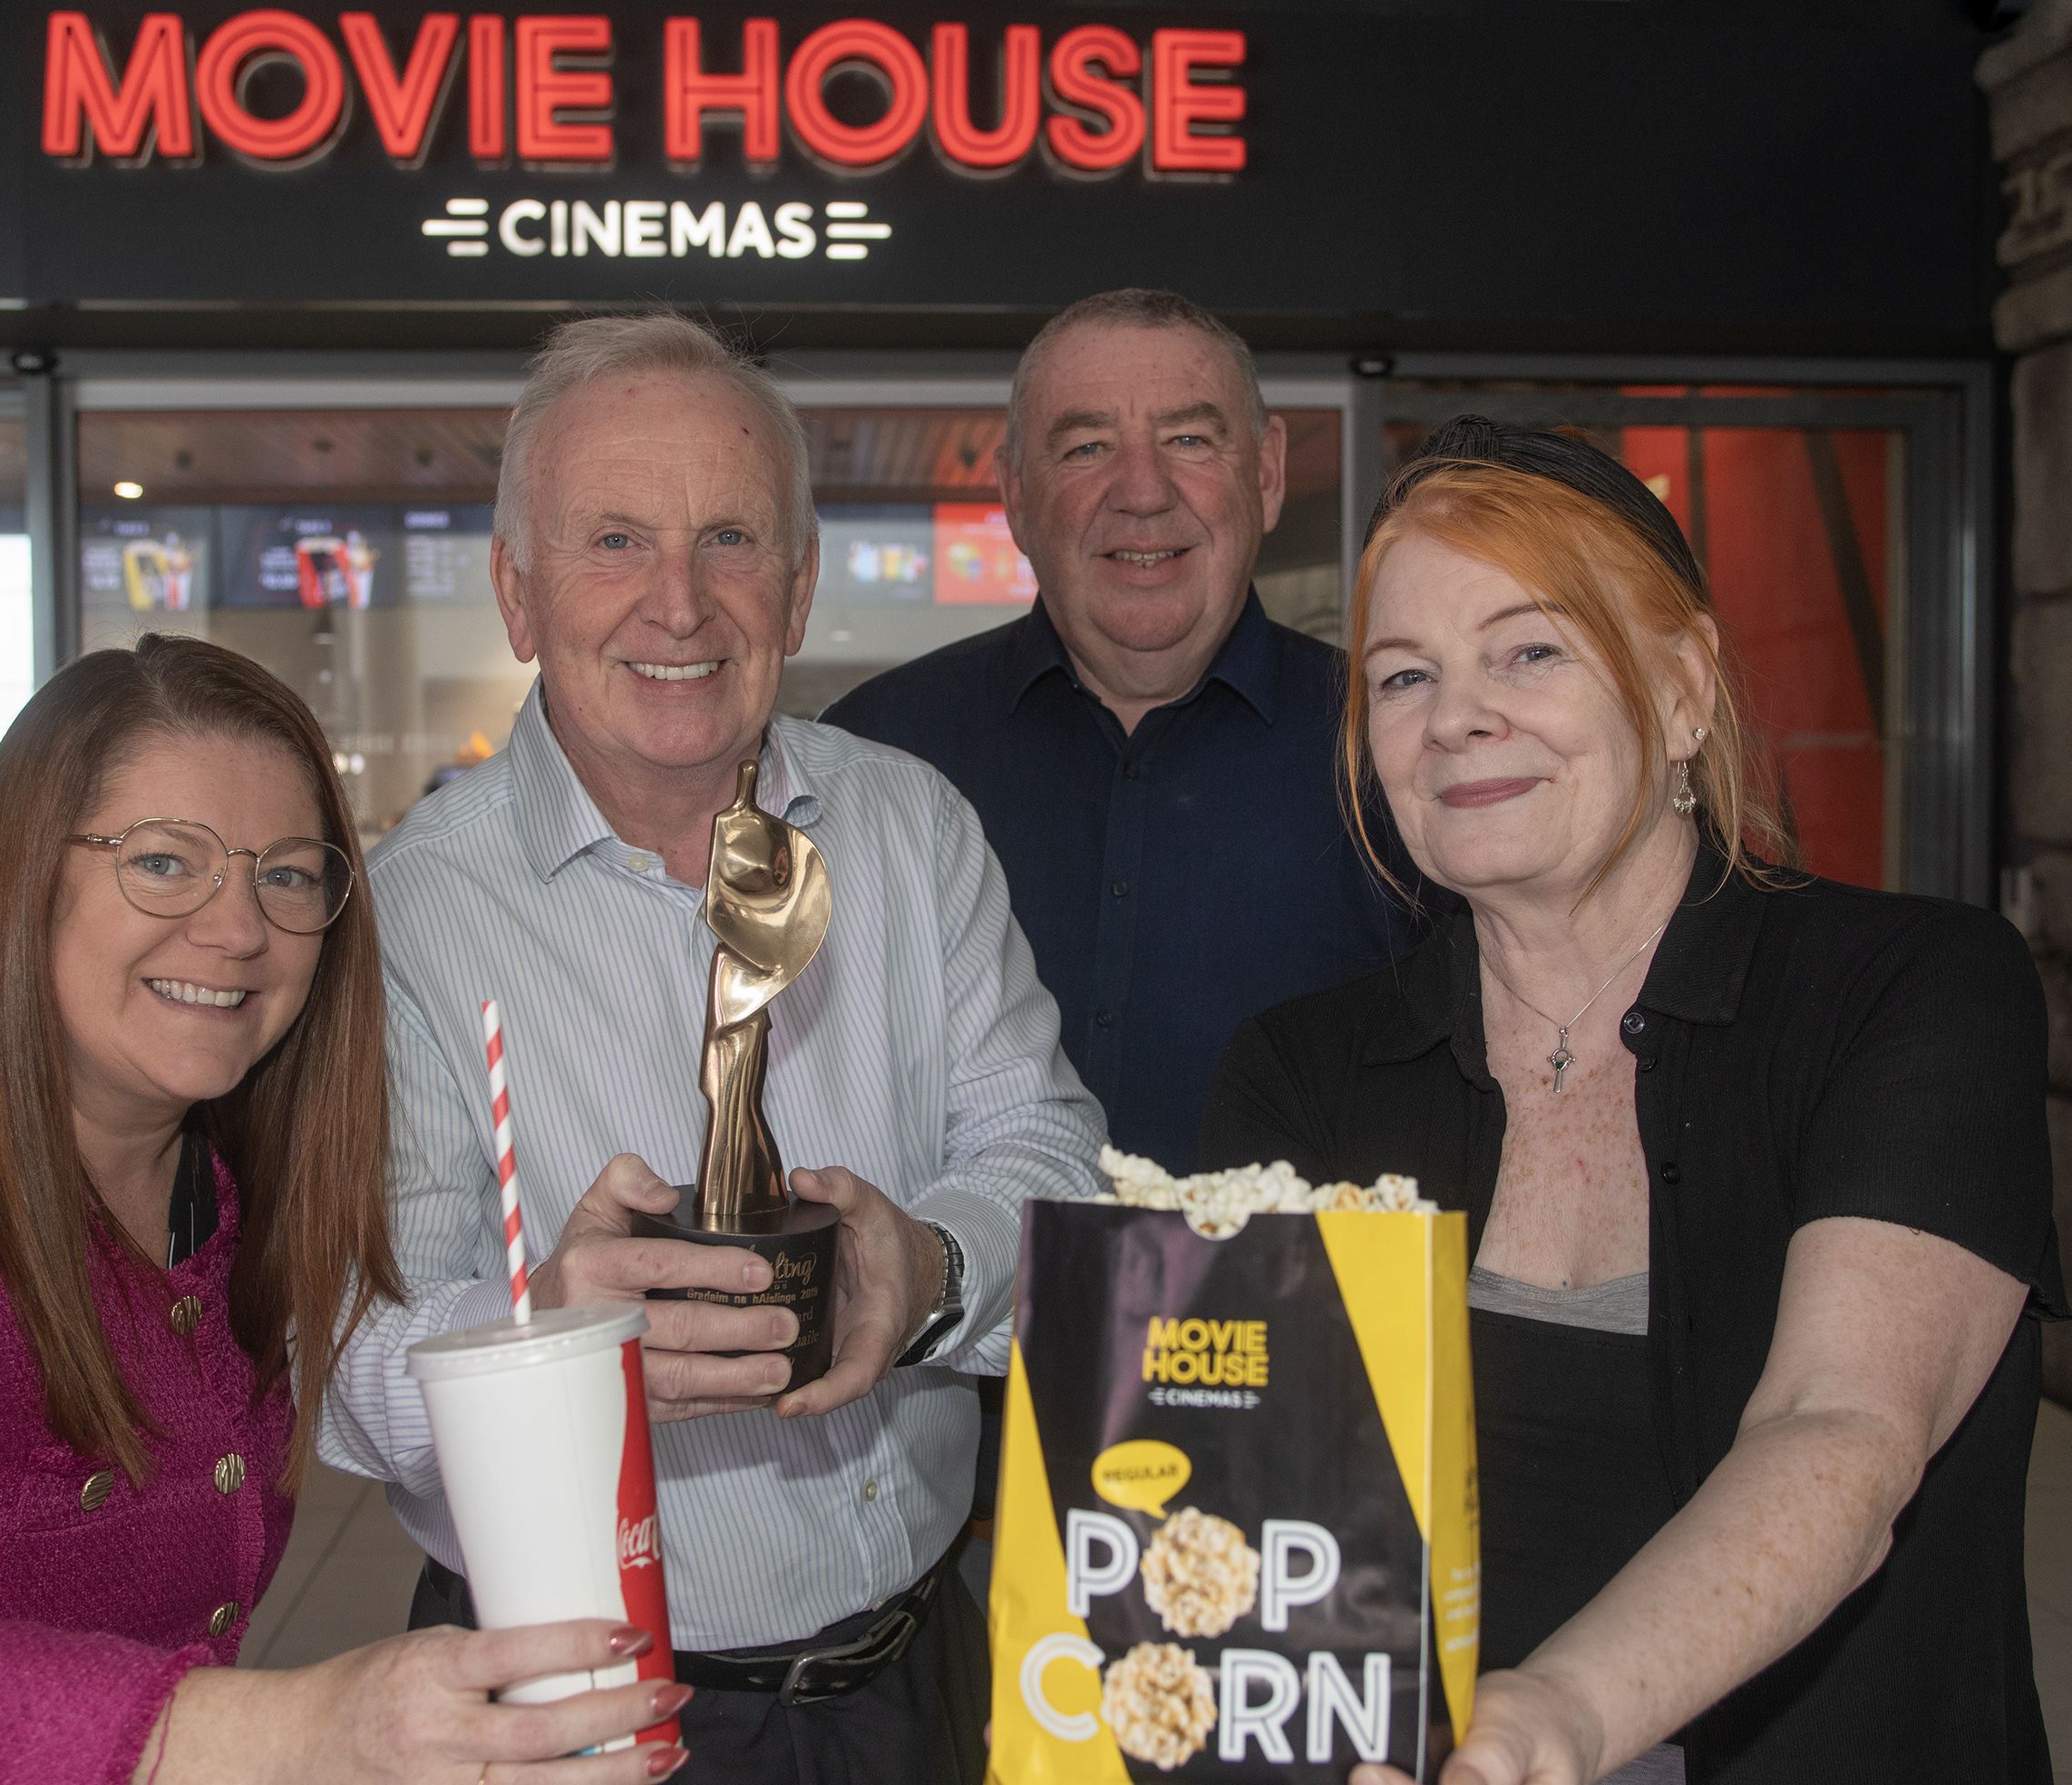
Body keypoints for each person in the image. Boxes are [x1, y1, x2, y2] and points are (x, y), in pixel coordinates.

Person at [0, 635, 688, 1785]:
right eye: (166, 862)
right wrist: (304, 1731)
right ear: (22, 876)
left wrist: (555, 1313)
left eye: (285, 874)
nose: (239, 930)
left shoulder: (226, 1196)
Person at [1200, 419, 2064, 1784]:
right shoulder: (1302, 1073)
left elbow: (1840, 1429)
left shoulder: (1911, 990)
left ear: (1681, 692)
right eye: (1406, 675)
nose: (1459, 715)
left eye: (1529, 650)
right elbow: (1253, 1495)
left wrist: (1557, 1721)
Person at [320, 314, 1105, 1785]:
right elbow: (347, 1360)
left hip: (930, 1668)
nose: (679, 603)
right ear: (516, 591)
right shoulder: (409, 916)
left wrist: (925, 1274)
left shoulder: (912, 826)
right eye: (614, 539)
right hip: (583, 1703)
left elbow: (1049, 1151)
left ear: (798, 590)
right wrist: (546, 1332)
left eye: (731, 538)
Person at [826, 288, 1421, 1175]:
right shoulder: (878, 755)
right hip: (961, 1310)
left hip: (1308, 1311)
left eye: (1188, 439)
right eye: (1087, 447)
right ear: (1018, 495)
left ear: (1264, 474)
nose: (1142, 493)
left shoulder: (1397, 745)